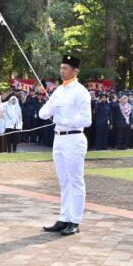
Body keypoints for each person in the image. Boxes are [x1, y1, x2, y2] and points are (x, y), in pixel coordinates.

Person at [40, 55, 92, 236]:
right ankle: (64, 218)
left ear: (75, 70)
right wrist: (50, 109)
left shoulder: (81, 91)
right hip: (59, 138)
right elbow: (42, 114)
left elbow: (86, 120)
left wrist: (64, 119)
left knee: (75, 180)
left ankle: (75, 220)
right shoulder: (58, 91)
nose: (62, 71)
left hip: (74, 138)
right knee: (64, 181)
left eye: (65, 68)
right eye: (61, 68)